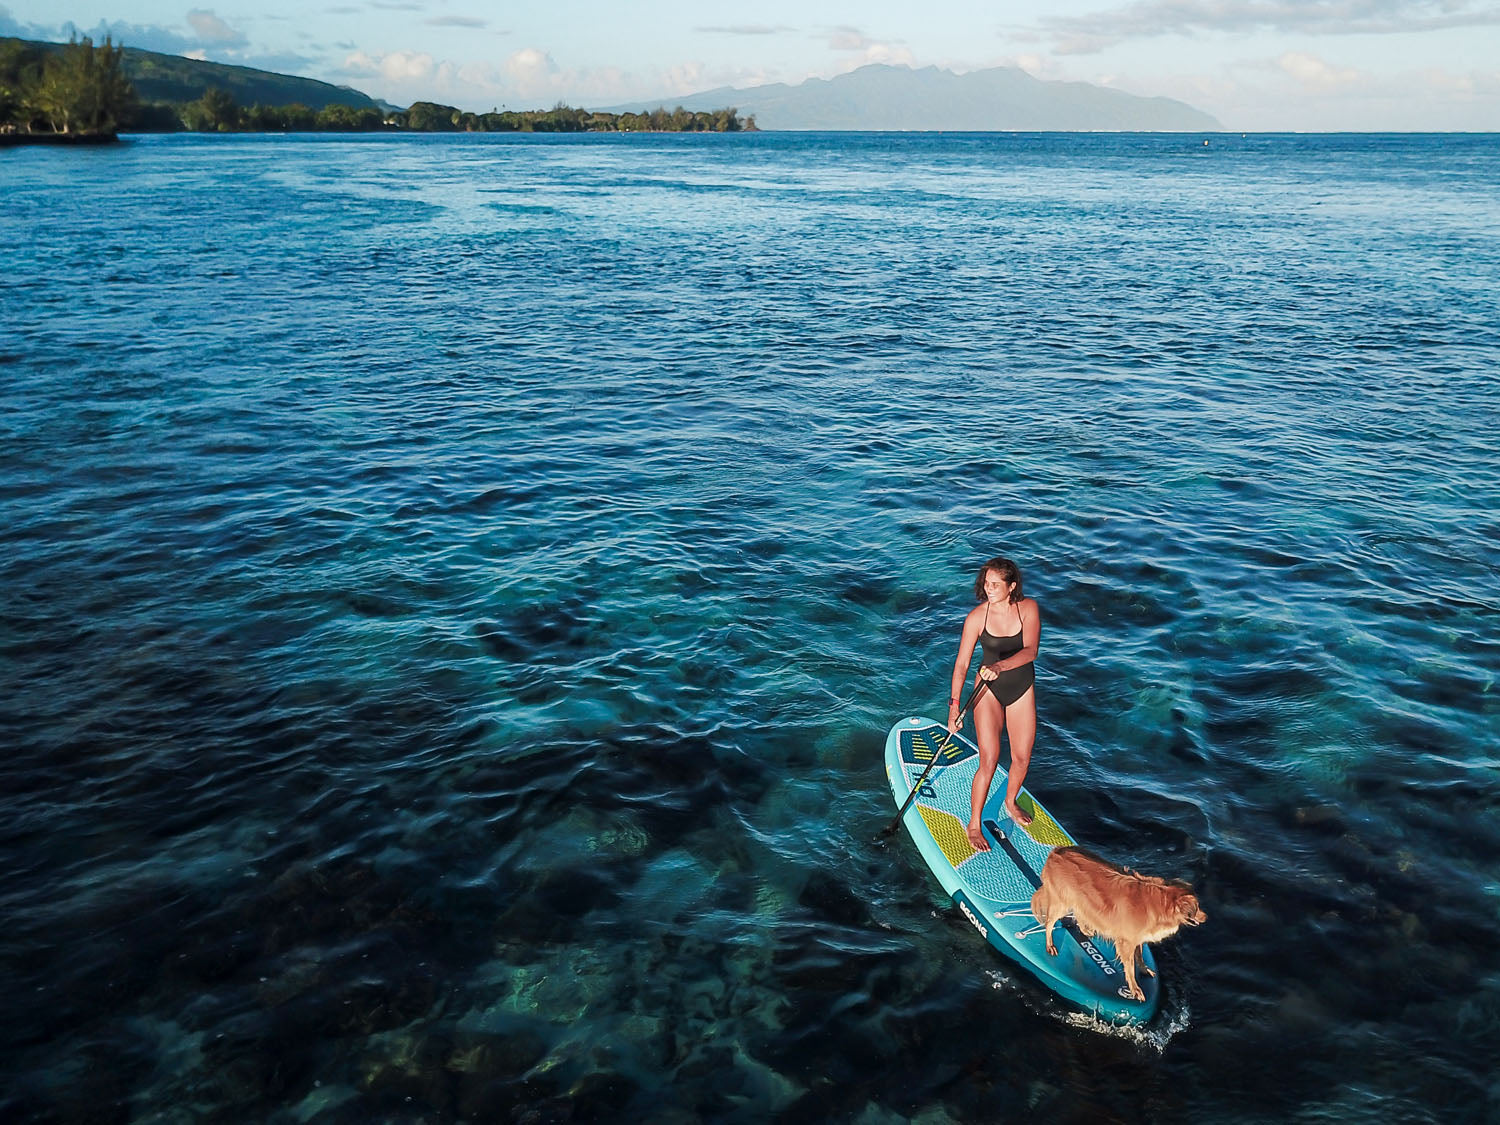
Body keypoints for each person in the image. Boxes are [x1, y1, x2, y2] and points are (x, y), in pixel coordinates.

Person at [947, 557, 1040, 849]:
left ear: (1011, 586)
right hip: (987, 690)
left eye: (995, 585)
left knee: (1022, 757)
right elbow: (962, 665)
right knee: (989, 758)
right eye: (986, 583)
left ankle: (1010, 801)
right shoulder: (977, 617)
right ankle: (974, 824)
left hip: (1021, 688)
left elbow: (1031, 651)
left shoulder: (1029, 609)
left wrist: (1001, 667)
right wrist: (954, 707)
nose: (988, 589)